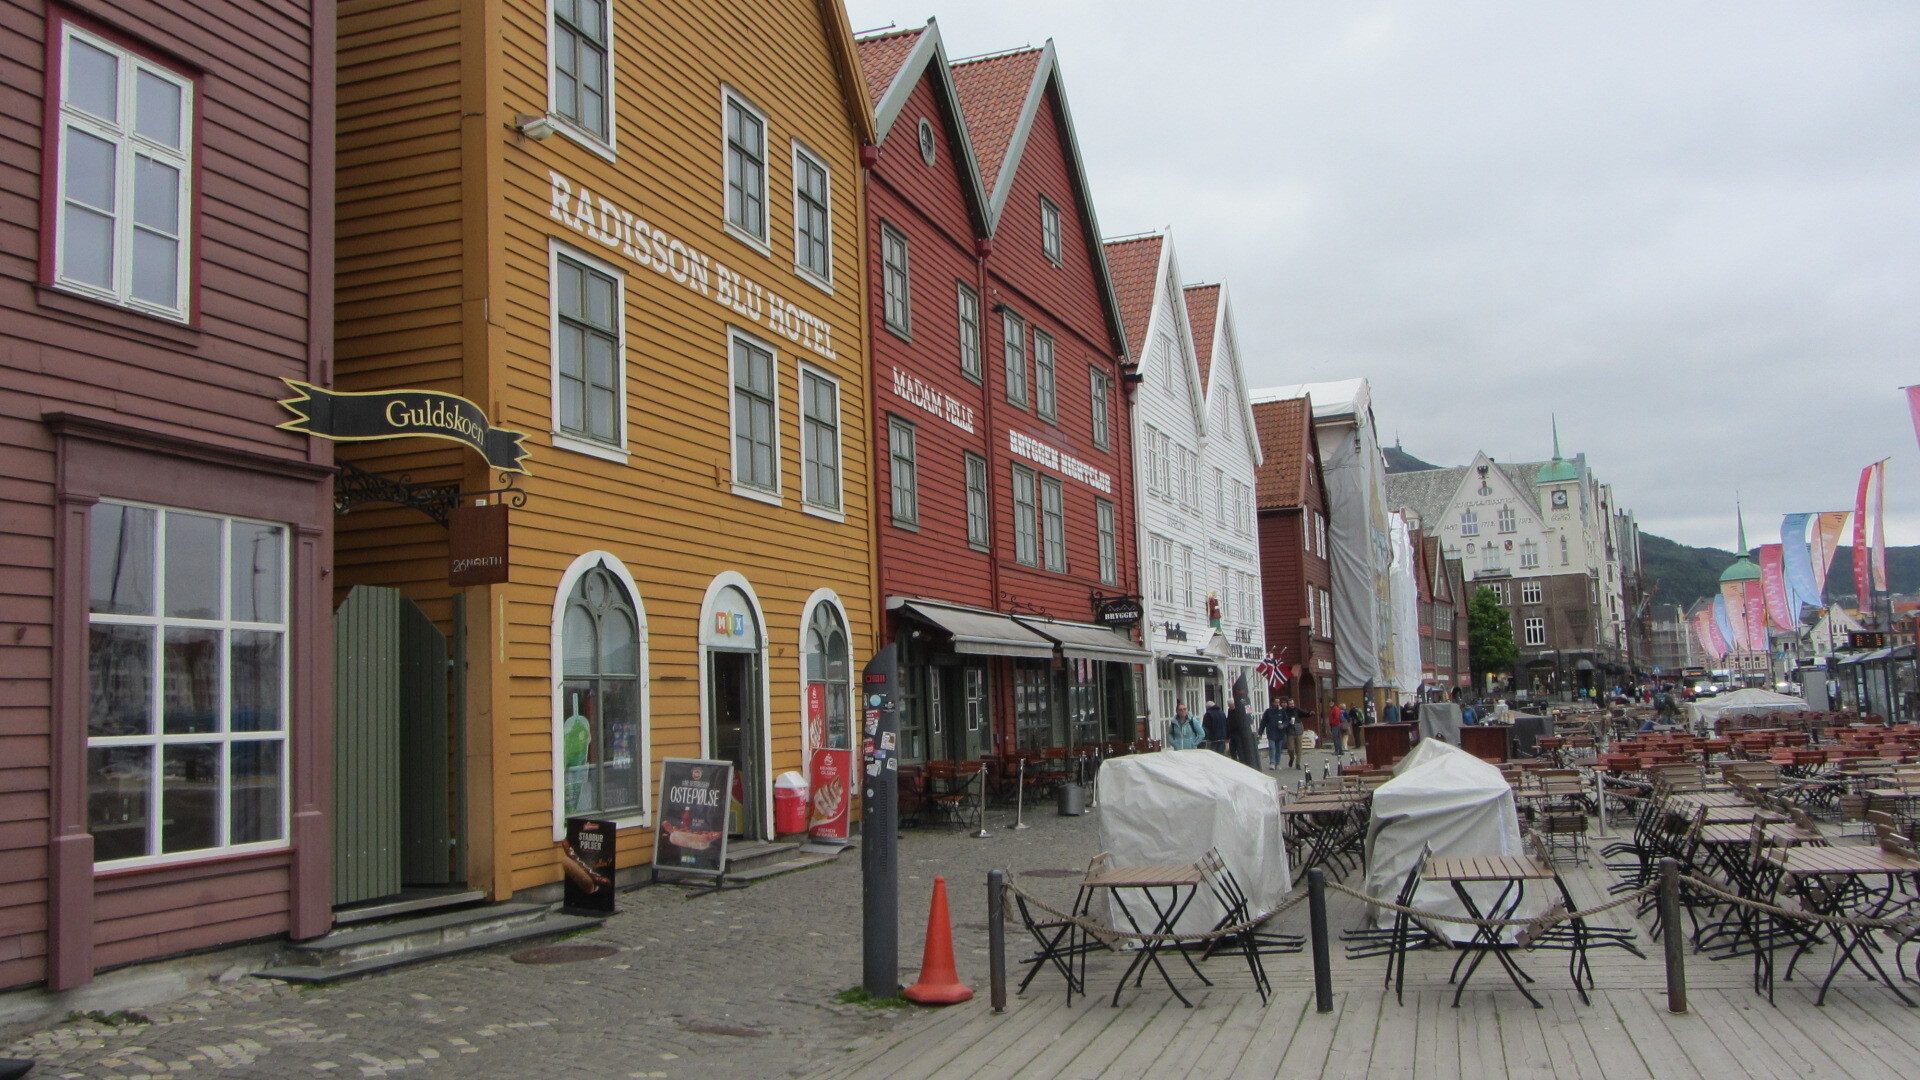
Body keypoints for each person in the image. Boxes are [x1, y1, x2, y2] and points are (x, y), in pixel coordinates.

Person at [1260, 700, 1288, 769]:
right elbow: (1263, 722)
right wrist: (1260, 732)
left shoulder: (1282, 711)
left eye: (1278, 702)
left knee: (1278, 749)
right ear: (1273, 703)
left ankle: (1277, 763)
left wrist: (1283, 725)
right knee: (1272, 748)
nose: (1277, 704)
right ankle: (1272, 763)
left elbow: (1286, 721)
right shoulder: (1268, 711)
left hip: (1280, 733)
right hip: (1271, 732)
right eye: (1276, 702)